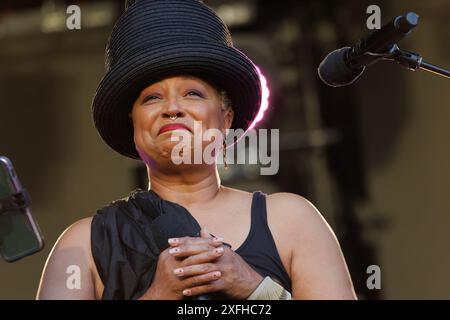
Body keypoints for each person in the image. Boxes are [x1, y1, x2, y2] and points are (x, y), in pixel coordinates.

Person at [37, 0, 356, 300]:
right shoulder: (84, 244)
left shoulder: (291, 220)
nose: (172, 108)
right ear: (133, 125)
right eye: (152, 98)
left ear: (226, 117)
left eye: (192, 93)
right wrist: (158, 294)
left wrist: (253, 287)